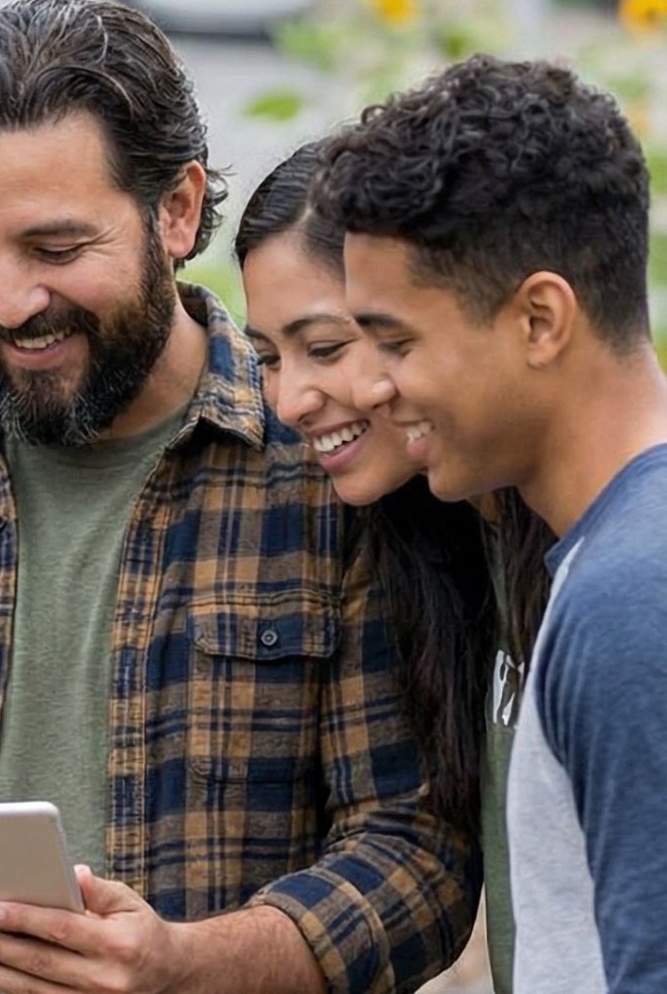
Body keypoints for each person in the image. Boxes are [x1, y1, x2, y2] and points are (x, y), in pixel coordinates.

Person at [0, 0, 474, 993]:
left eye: (55, 249)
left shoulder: (332, 463)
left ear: (175, 211)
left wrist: (185, 966)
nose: (10, 301)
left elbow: (417, 851)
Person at [314, 56, 667, 994]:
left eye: (397, 341)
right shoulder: (614, 558)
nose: (372, 384)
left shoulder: (631, 598)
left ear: (541, 319)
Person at [236, 142, 552, 992]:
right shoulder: (434, 537)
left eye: (329, 346)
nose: (291, 400)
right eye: (268, 357)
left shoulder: (598, 559)